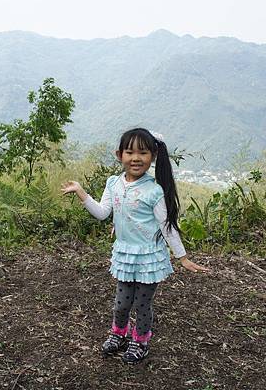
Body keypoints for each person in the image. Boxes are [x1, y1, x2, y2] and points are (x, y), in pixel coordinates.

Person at [60, 127, 209, 364]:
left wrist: (182, 257)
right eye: (130, 152)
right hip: (125, 255)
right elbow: (102, 213)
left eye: (143, 152)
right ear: (119, 155)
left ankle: (140, 341)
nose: (136, 158)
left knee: (141, 305)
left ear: (153, 156)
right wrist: (81, 192)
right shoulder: (113, 183)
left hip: (149, 258)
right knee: (121, 304)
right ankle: (118, 334)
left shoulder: (155, 190)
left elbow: (167, 226)